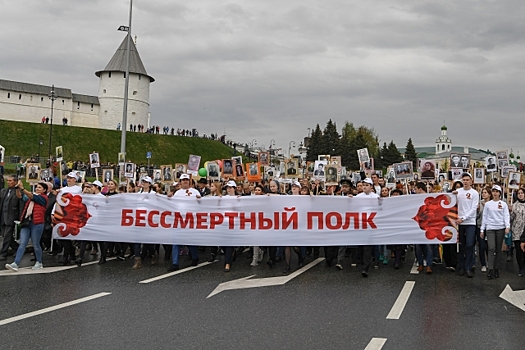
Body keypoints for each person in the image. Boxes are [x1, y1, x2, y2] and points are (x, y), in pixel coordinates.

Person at [5, 181, 48, 271]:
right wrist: (17, 189)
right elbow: (20, 197)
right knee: (22, 244)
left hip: (37, 223)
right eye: (37, 187)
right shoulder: (31, 197)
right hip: (27, 222)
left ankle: (39, 262)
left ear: (44, 190)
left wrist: (22, 188)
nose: (37, 188)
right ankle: (15, 263)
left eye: (40, 187)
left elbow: (33, 197)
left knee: (36, 244)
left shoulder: (43, 198)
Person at [168, 174, 201, 272]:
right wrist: (168, 197)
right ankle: (175, 263)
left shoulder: (195, 191)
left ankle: (195, 257)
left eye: (186, 180)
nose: (185, 181)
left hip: (191, 220)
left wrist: (200, 199)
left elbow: (202, 205)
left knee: (190, 241)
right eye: (183, 180)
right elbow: (171, 204)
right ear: (180, 182)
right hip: (179, 220)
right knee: (176, 241)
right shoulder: (177, 193)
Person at [480, 185, 510, 279]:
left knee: (498, 250)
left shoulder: (503, 204)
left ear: (500, 193)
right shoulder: (488, 204)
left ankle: (496, 269)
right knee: (491, 248)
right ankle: (491, 269)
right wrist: (482, 229)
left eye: (497, 191)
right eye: (493, 191)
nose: (495, 193)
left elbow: (506, 216)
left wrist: (507, 226)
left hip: (500, 228)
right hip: (490, 228)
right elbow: (484, 217)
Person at [454, 173, 479, 278]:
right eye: (464, 180)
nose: (465, 181)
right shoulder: (458, 192)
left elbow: (473, 209)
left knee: (469, 244)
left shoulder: (474, 193)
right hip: (458, 223)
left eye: (467, 180)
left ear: (471, 181)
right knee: (461, 245)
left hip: (470, 222)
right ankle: (461, 266)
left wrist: (463, 218)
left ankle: (469, 267)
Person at [354, 178, 378, 277]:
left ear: (371, 187)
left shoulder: (376, 197)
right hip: (360, 224)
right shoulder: (358, 197)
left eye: (367, 185)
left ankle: (365, 267)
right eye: (363, 184)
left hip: (370, 225)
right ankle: (361, 262)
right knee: (361, 246)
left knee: (367, 246)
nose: (364, 186)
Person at [0, 176, 22, 261]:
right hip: (2, 217)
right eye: (7, 181)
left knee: (7, 236)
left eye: (10, 181)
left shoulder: (17, 192)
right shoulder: (3, 191)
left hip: (11, 217)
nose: (8, 182)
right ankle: (17, 248)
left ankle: (3, 253)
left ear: (15, 182)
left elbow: (20, 205)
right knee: (5, 235)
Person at [510, 188, 525, 277]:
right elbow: (511, 218)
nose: (520, 194)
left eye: (522, 193)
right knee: (518, 250)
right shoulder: (514, 205)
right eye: (519, 193)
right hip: (517, 230)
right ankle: (520, 268)